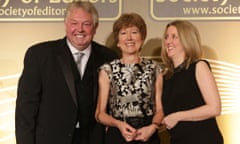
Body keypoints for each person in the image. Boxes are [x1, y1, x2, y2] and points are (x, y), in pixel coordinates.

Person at [15, 1, 118, 144]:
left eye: (86, 24)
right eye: (74, 23)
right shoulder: (39, 55)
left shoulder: (109, 58)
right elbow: (25, 110)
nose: (80, 29)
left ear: (95, 28)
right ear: (66, 24)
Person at [95, 13, 164, 144]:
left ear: (142, 38)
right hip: (117, 134)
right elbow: (99, 114)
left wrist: (153, 127)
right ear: (118, 41)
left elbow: (160, 109)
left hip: (148, 133)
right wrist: (118, 124)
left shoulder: (155, 69)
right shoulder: (107, 70)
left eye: (134, 32)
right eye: (123, 33)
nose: (129, 38)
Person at [160, 20, 224, 144]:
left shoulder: (199, 66)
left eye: (174, 37)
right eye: (166, 37)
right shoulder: (165, 77)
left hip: (203, 139)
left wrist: (177, 116)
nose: (168, 41)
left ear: (186, 40)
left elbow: (214, 108)